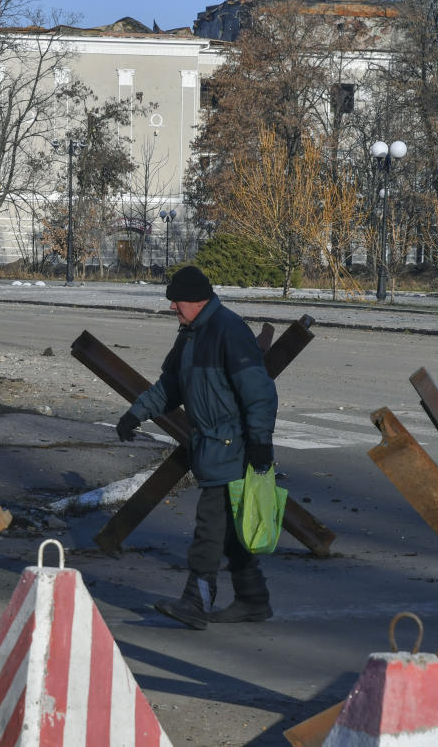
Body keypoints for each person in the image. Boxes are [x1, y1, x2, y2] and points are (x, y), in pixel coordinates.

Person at [116, 265, 277, 630]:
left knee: (209, 528)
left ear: (198, 300)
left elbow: (260, 392)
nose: (173, 307)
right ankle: (253, 600)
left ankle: (195, 602)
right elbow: (170, 385)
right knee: (231, 531)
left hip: (232, 446)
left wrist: (260, 443)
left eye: (177, 301)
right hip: (211, 445)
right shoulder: (190, 335)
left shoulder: (228, 331)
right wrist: (135, 414)